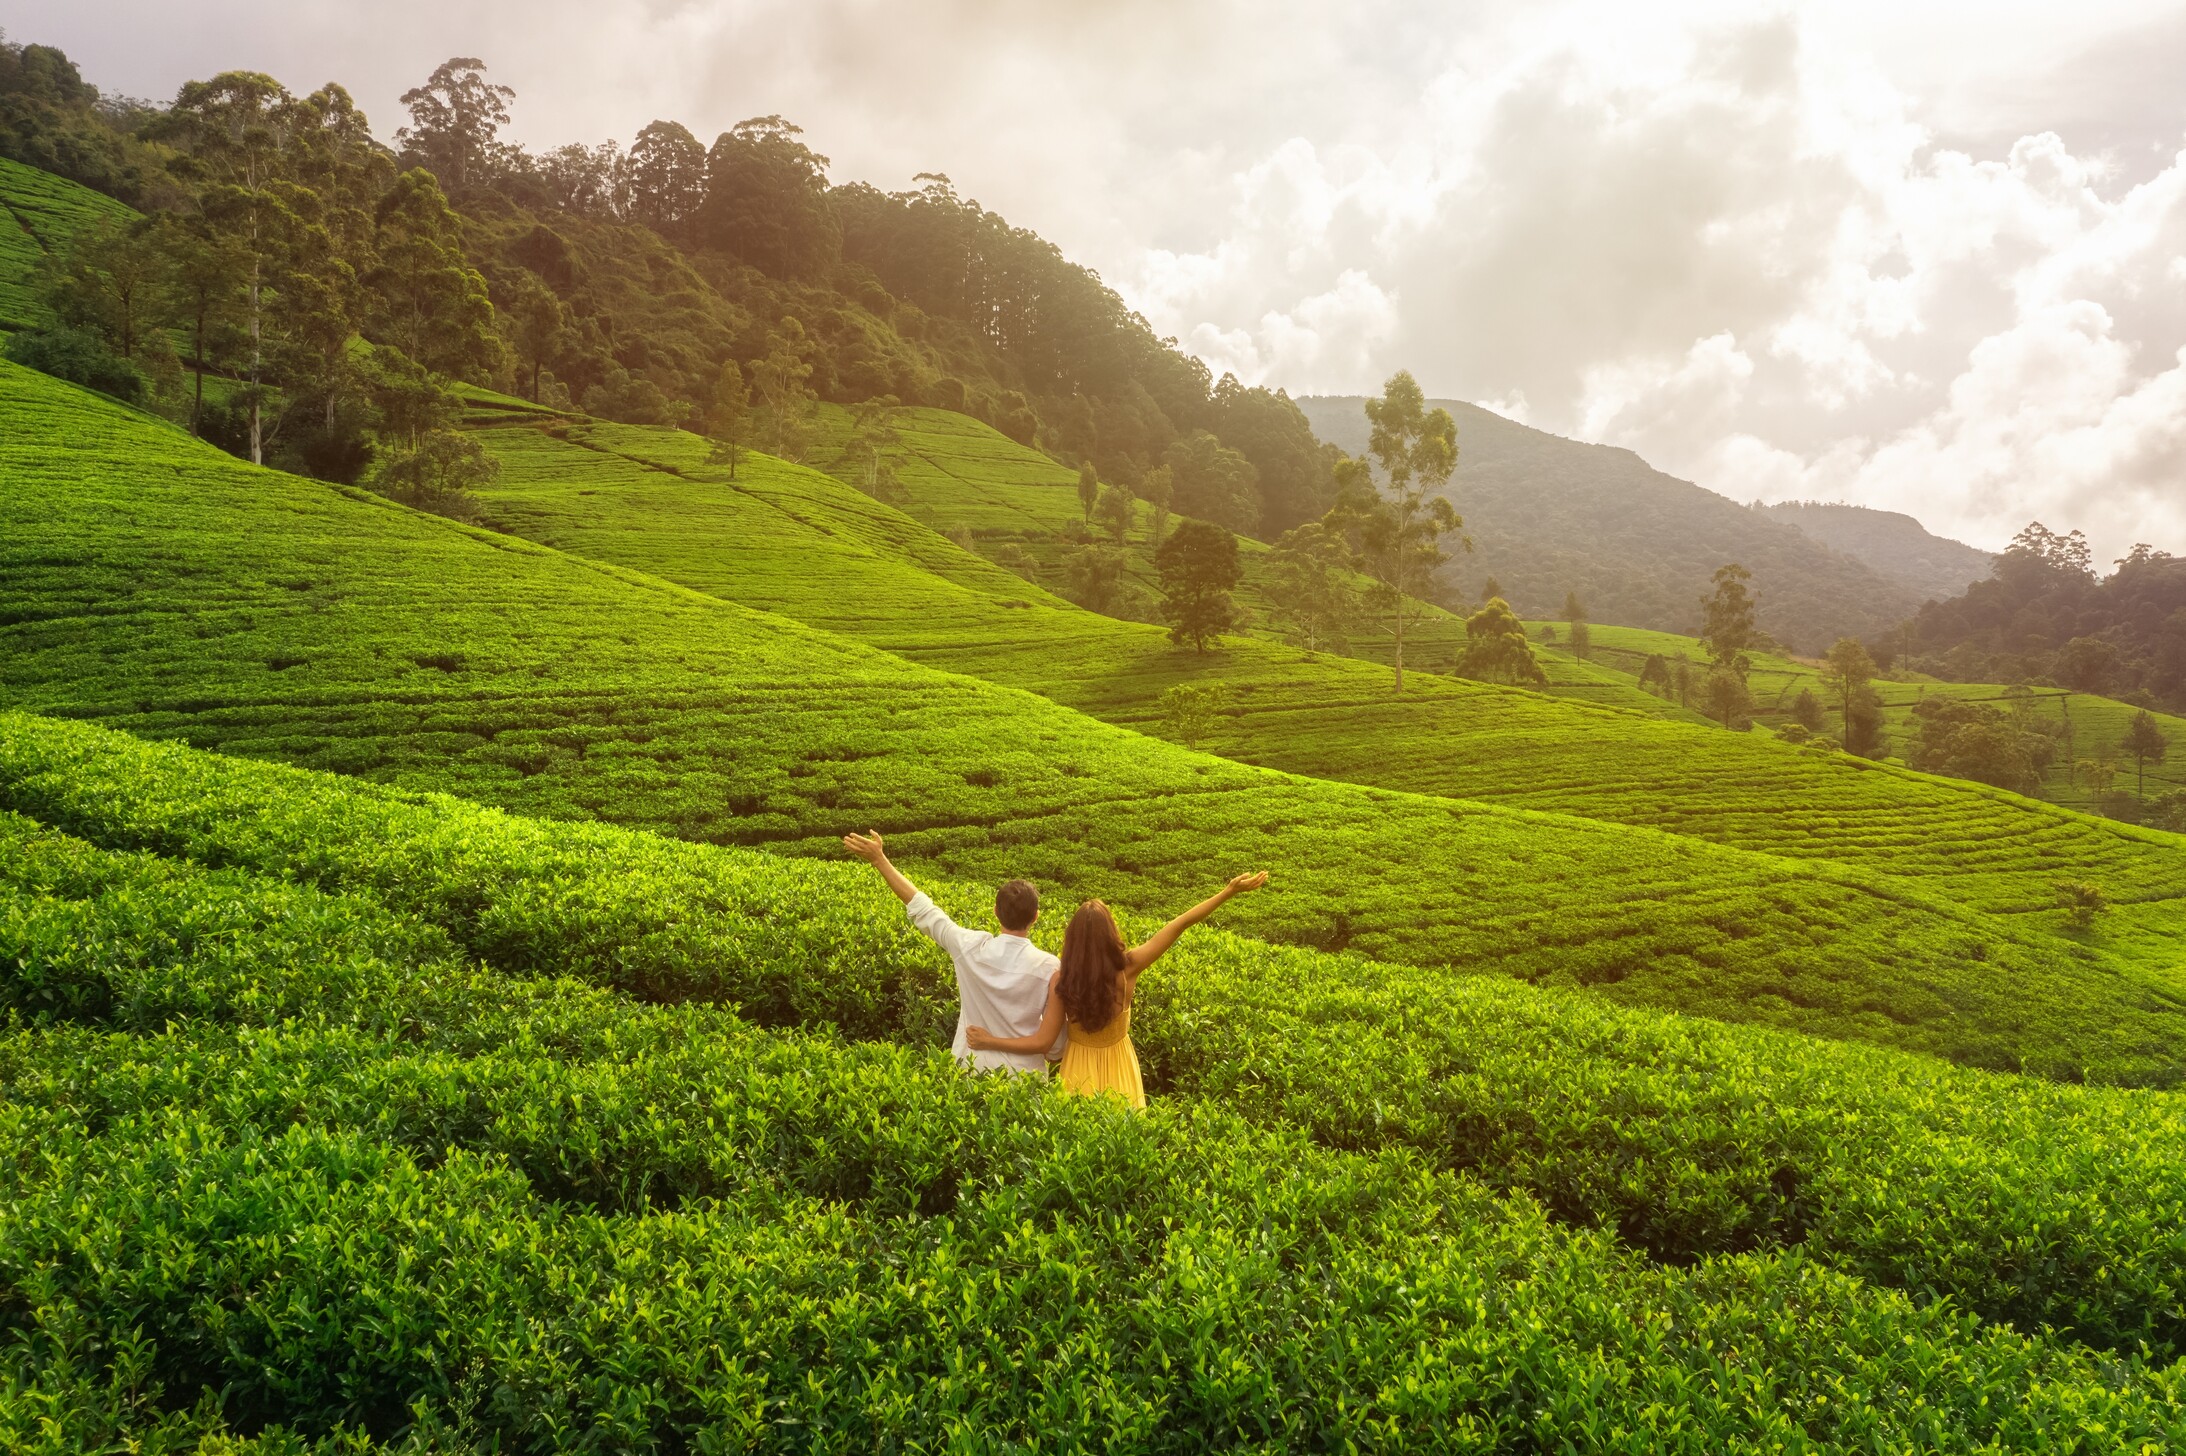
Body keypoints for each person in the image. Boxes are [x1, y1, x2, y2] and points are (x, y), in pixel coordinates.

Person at [966, 872, 1268, 1109]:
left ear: (1072, 939)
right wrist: (1229, 891)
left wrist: (991, 1038)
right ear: (1111, 932)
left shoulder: (1062, 977)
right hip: (1119, 1063)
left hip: (1077, 1066)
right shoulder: (1128, 969)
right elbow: (1180, 924)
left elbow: (1045, 1041)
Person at [842, 829, 1064, 1073]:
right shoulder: (1050, 967)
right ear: (1036, 917)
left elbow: (923, 909)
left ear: (995, 912)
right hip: (1024, 1078)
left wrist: (880, 860)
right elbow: (1055, 1045)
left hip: (971, 1070)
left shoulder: (968, 947)